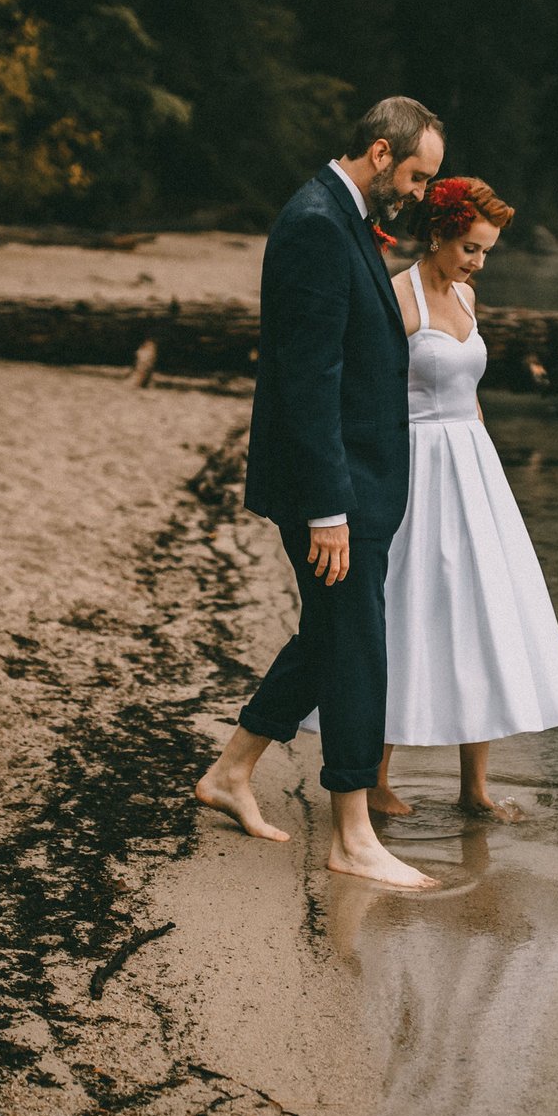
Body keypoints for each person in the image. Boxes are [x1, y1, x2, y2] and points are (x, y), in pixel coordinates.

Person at [194, 97, 445, 888]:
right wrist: (328, 510)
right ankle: (352, 832)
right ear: (379, 153)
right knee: (358, 642)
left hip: (352, 480)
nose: (419, 193)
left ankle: (232, 771)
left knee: (332, 635)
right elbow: (309, 379)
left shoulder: (340, 214)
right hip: (334, 488)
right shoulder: (314, 222)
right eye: (415, 175)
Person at [365, 178, 558, 821]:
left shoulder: (467, 295)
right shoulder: (397, 297)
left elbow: (471, 391)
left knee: (481, 611)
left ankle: (474, 787)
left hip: (472, 467)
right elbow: (374, 396)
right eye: (470, 247)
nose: (477, 261)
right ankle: (377, 778)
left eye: (486, 250)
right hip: (414, 465)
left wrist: (486, 463)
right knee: (407, 613)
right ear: (437, 233)